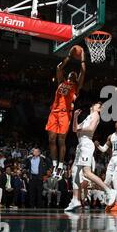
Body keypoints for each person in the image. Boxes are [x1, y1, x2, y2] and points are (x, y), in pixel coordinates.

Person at [65, 102, 117, 211]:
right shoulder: (87, 118)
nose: (101, 108)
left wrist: (79, 129)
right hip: (80, 146)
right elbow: (74, 129)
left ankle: (109, 191)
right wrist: (75, 117)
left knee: (86, 173)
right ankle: (75, 200)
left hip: (87, 145)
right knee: (74, 172)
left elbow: (91, 129)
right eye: (99, 106)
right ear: (92, 107)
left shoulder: (95, 115)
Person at [45, 46, 86, 179]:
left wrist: (82, 57)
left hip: (65, 113)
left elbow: (83, 71)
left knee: (61, 140)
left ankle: (61, 166)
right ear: (68, 75)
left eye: (75, 74)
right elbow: (58, 68)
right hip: (54, 112)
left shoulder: (76, 87)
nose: (73, 73)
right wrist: (68, 56)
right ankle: (55, 163)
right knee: (51, 139)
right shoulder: (61, 82)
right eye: (71, 73)